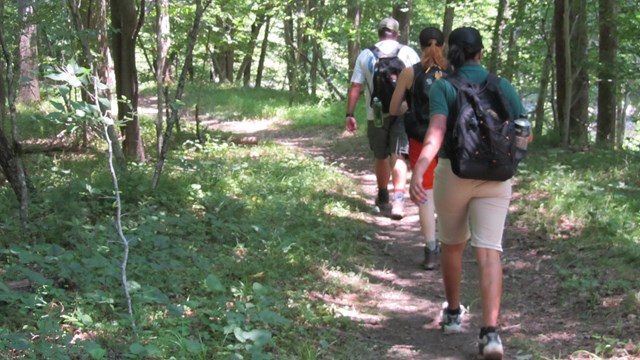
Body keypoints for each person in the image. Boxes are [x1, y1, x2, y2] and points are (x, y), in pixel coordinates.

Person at [409, 27, 532, 360]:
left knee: (452, 244)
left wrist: (419, 169)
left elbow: (435, 131)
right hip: (497, 177)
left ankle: (451, 314)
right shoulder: (502, 85)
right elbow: (524, 131)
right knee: (490, 250)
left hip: (455, 173)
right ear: (481, 52)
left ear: (452, 54)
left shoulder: (444, 86)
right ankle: (491, 335)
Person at [345, 17, 420, 220]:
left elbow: (356, 87)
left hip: (375, 113)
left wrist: (350, 114)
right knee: (399, 155)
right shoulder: (408, 53)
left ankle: (382, 195)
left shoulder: (366, 54)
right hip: (403, 112)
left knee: (380, 155)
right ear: (397, 33)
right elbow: (419, 84)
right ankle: (398, 202)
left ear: (379, 32)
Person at [389, 27, 447, 270]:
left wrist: (408, 109)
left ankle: (431, 249)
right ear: (442, 46)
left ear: (420, 46)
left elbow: (394, 108)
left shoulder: (409, 72)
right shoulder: (452, 71)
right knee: (449, 193)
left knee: (426, 196)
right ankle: (449, 241)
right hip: (449, 141)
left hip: (419, 141)